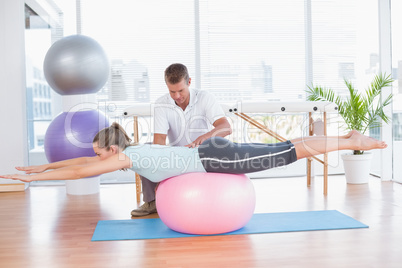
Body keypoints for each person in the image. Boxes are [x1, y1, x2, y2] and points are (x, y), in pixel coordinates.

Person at [1, 123, 387, 186]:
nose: (96, 159)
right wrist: (42, 165)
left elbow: (81, 173)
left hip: (212, 160)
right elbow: (82, 164)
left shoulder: (125, 157)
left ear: (113, 150)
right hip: (210, 153)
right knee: (285, 148)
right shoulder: (130, 150)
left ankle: (350, 139)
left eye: (100, 153)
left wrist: (33, 179)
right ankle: (344, 136)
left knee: (290, 153)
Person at [131, 63, 232, 216]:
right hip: (177, 157)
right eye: (172, 92)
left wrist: (203, 138)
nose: (177, 96)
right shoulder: (161, 104)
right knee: (147, 149)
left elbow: (226, 127)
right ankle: (152, 201)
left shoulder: (205, 98)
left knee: (222, 148)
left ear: (189, 82)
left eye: (181, 90)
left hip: (202, 154)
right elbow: (159, 140)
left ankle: (221, 199)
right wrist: (158, 178)